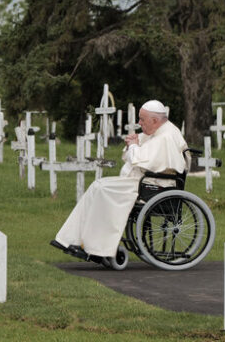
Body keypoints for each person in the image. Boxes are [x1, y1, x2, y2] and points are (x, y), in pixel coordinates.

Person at [51, 99, 188, 259]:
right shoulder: (160, 131)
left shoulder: (166, 136)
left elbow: (142, 160)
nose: (139, 123)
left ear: (155, 120)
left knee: (103, 189)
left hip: (154, 186)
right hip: (145, 182)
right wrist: (133, 142)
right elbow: (143, 148)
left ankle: (98, 249)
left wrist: (134, 146)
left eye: (142, 119)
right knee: (98, 186)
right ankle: (69, 239)